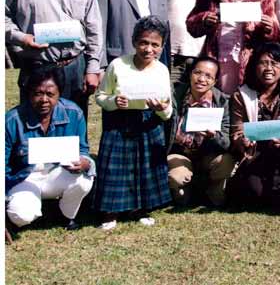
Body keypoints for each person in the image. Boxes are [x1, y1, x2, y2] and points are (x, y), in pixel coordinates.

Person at [5, 0, 102, 117]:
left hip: (74, 66)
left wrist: (92, 68)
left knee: (73, 121)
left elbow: (94, 28)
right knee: (34, 124)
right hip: (36, 65)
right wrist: (21, 37)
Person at [94, 16, 173, 230]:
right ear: (134, 41)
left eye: (155, 45)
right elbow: (100, 96)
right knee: (116, 168)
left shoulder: (162, 70)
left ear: (162, 46)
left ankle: (141, 208)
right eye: (143, 42)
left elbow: (168, 107)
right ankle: (110, 212)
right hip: (119, 122)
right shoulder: (117, 65)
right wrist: (113, 101)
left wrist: (162, 109)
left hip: (149, 123)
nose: (148, 49)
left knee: (144, 166)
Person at [5, 69, 95, 232]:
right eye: (38, 93)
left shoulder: (74, 113)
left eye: (50, 94)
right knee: (21, 216)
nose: (44, 100)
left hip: (57, 173)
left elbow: (83, 149)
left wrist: (84, 162)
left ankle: (66, 215)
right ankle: (24, 206)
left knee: (84, 181)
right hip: (24, 178)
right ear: (28, 94)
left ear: (59, 93)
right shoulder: (12, 120)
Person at [227, 43, 280, 208]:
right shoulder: (241, 94)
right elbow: (237, 130)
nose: (268, 68)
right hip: (257, 151)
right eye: (263, 63)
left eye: (274, 63)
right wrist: (242, 140)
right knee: (255, 193)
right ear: (254, 66)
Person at [186, 0, 279, 94]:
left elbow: (274, 33)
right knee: (217, 100)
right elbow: (191, 23)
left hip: (249, 59)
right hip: (217, 56)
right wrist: (204, 20)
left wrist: (269, 28)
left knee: (244, 103)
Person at [165, 56, 235, 207]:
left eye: (208, 76)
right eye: (197, 73)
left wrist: (214, 136)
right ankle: (185, 190)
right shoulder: (175, 96)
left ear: (215, 81)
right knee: (177, 178)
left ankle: (213, 189)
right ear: (190, 74)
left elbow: (227, 141)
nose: (202, 79)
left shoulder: (223, 102)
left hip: (209, 154)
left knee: (226, 162)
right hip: (181, 153)